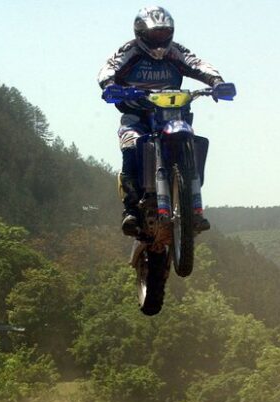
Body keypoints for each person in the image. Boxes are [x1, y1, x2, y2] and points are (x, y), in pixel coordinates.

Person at [97, 6, 227, 236]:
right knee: (130, 146)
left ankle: (194, 209)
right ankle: (130, 209)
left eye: (164, 34)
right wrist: (109, 86)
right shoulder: (130, 51)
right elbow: (109, 68)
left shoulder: (175, 52)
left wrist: (217, 82)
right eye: (154, 34)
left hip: (173, 115)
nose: (159, 40)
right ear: (141, 33)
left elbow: (196, 63)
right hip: (137, 116)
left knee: (193, 140)